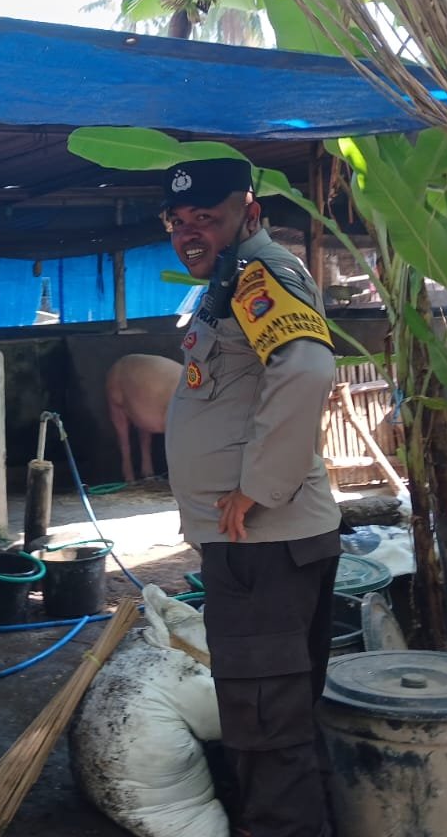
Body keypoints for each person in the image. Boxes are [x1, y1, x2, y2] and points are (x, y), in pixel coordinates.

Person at [159, 157, 341, 837]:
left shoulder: (262, 274)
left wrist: (256, 488)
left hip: (263, 545)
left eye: (207, 218)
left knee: (264, 722)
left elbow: (307, 367)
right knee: (276, 715)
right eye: (178, 222)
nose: (190, 233)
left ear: (250, 214)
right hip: (259, 546)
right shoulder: (231, 280)